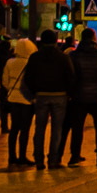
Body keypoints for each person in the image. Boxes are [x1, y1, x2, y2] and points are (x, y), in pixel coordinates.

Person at [22, 28, 75, 170]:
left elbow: (28, 78)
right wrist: (69, 93)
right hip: (60, 96)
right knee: (57, 129)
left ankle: (38, 160)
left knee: (39, 129)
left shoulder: (35, 57)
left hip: (41, 96)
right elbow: (71, 77)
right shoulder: (63, 57)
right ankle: (53, 160)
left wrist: (34, 92)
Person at [66, 28, 97, 166]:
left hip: (78, 97)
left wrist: (71, 93)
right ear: (94, 38)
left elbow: (69, 76)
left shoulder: (74, 56)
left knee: (77, 128)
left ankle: (75, 156)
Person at [1, 38, 37, 167]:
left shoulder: (10, 62)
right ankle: (22, 156)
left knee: (14, 128)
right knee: (25, 129)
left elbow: (4, 81)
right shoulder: (31, 63)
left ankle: (12, 156)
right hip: (27, 100)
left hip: (13, 98)